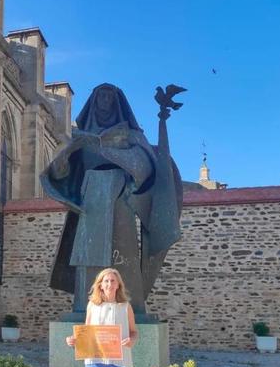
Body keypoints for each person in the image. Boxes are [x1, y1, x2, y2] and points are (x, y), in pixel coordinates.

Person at [40, 83, 183, 320]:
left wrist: (112, 153)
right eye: (100, 97)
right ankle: (85, 309)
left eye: (109, 97)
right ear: (94, 103)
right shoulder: (80, 137)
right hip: (90, 201)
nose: (104, 102)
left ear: (117, 104)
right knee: (88, 259)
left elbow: (145, 166)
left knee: (123, 256)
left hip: (120, 199)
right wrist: (69, 151)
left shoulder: (131, 135)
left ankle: (130, 309)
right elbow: (61, 172)